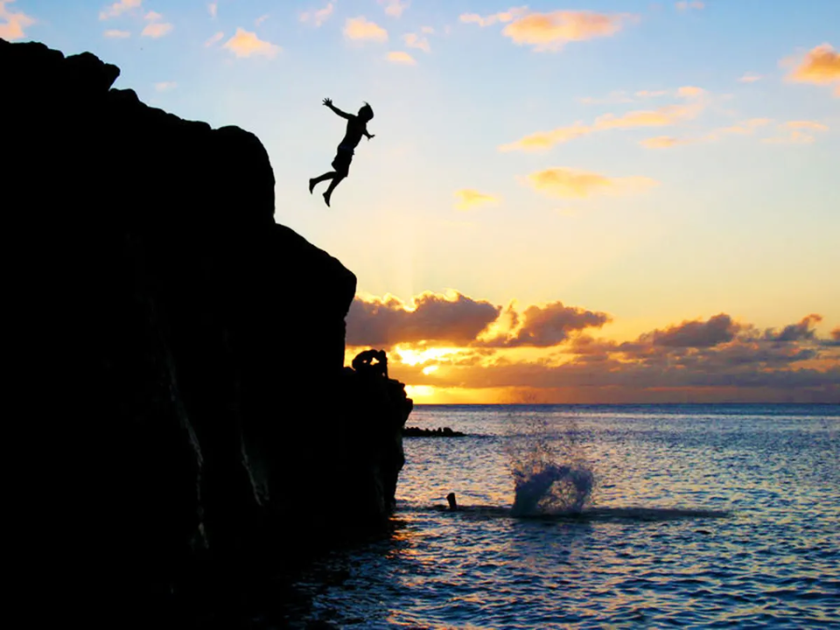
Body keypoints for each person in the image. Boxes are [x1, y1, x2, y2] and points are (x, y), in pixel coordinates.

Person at [309, 98, 375, 207]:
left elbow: (363, 131)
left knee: (341, 174)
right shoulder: (353, 118)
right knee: (342, 173)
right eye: (367, 118)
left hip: (349, 152)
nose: (367, 121)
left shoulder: (363, 125)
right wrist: (331, 106)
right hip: (344, 148)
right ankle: (326, 191)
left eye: (369, 119)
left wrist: (368, 135)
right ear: (362, 113)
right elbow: (340, 113)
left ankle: (316, 182)